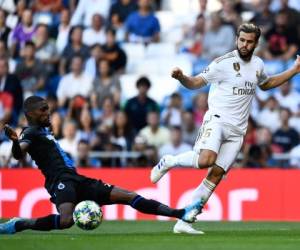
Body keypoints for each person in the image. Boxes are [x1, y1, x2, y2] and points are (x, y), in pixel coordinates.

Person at [150, 23, 300, 234]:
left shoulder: (257, 64)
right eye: (242, 40)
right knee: (206, 161)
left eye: (250, 41)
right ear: (236, 39)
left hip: (238, 131)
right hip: (218, 120)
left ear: (256, 43)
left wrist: (294, 70)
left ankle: (184, 221)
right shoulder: (222, 63)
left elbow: (266, 84)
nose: (245, 45)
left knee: (216, 174)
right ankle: (169, 161)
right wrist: (181, 77)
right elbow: (195, 83)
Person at [0, 96, 201, 234]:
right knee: (66, 221)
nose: (47, 112)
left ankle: (179, 213)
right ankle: (21, 223)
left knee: (129, 196)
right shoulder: (29, 133)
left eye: (48, 109)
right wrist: (15, 142)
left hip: (77, 179)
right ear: (31, 113)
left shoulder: (43, 130)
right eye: (43, 110)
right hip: (60, 181)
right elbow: (19, 154)